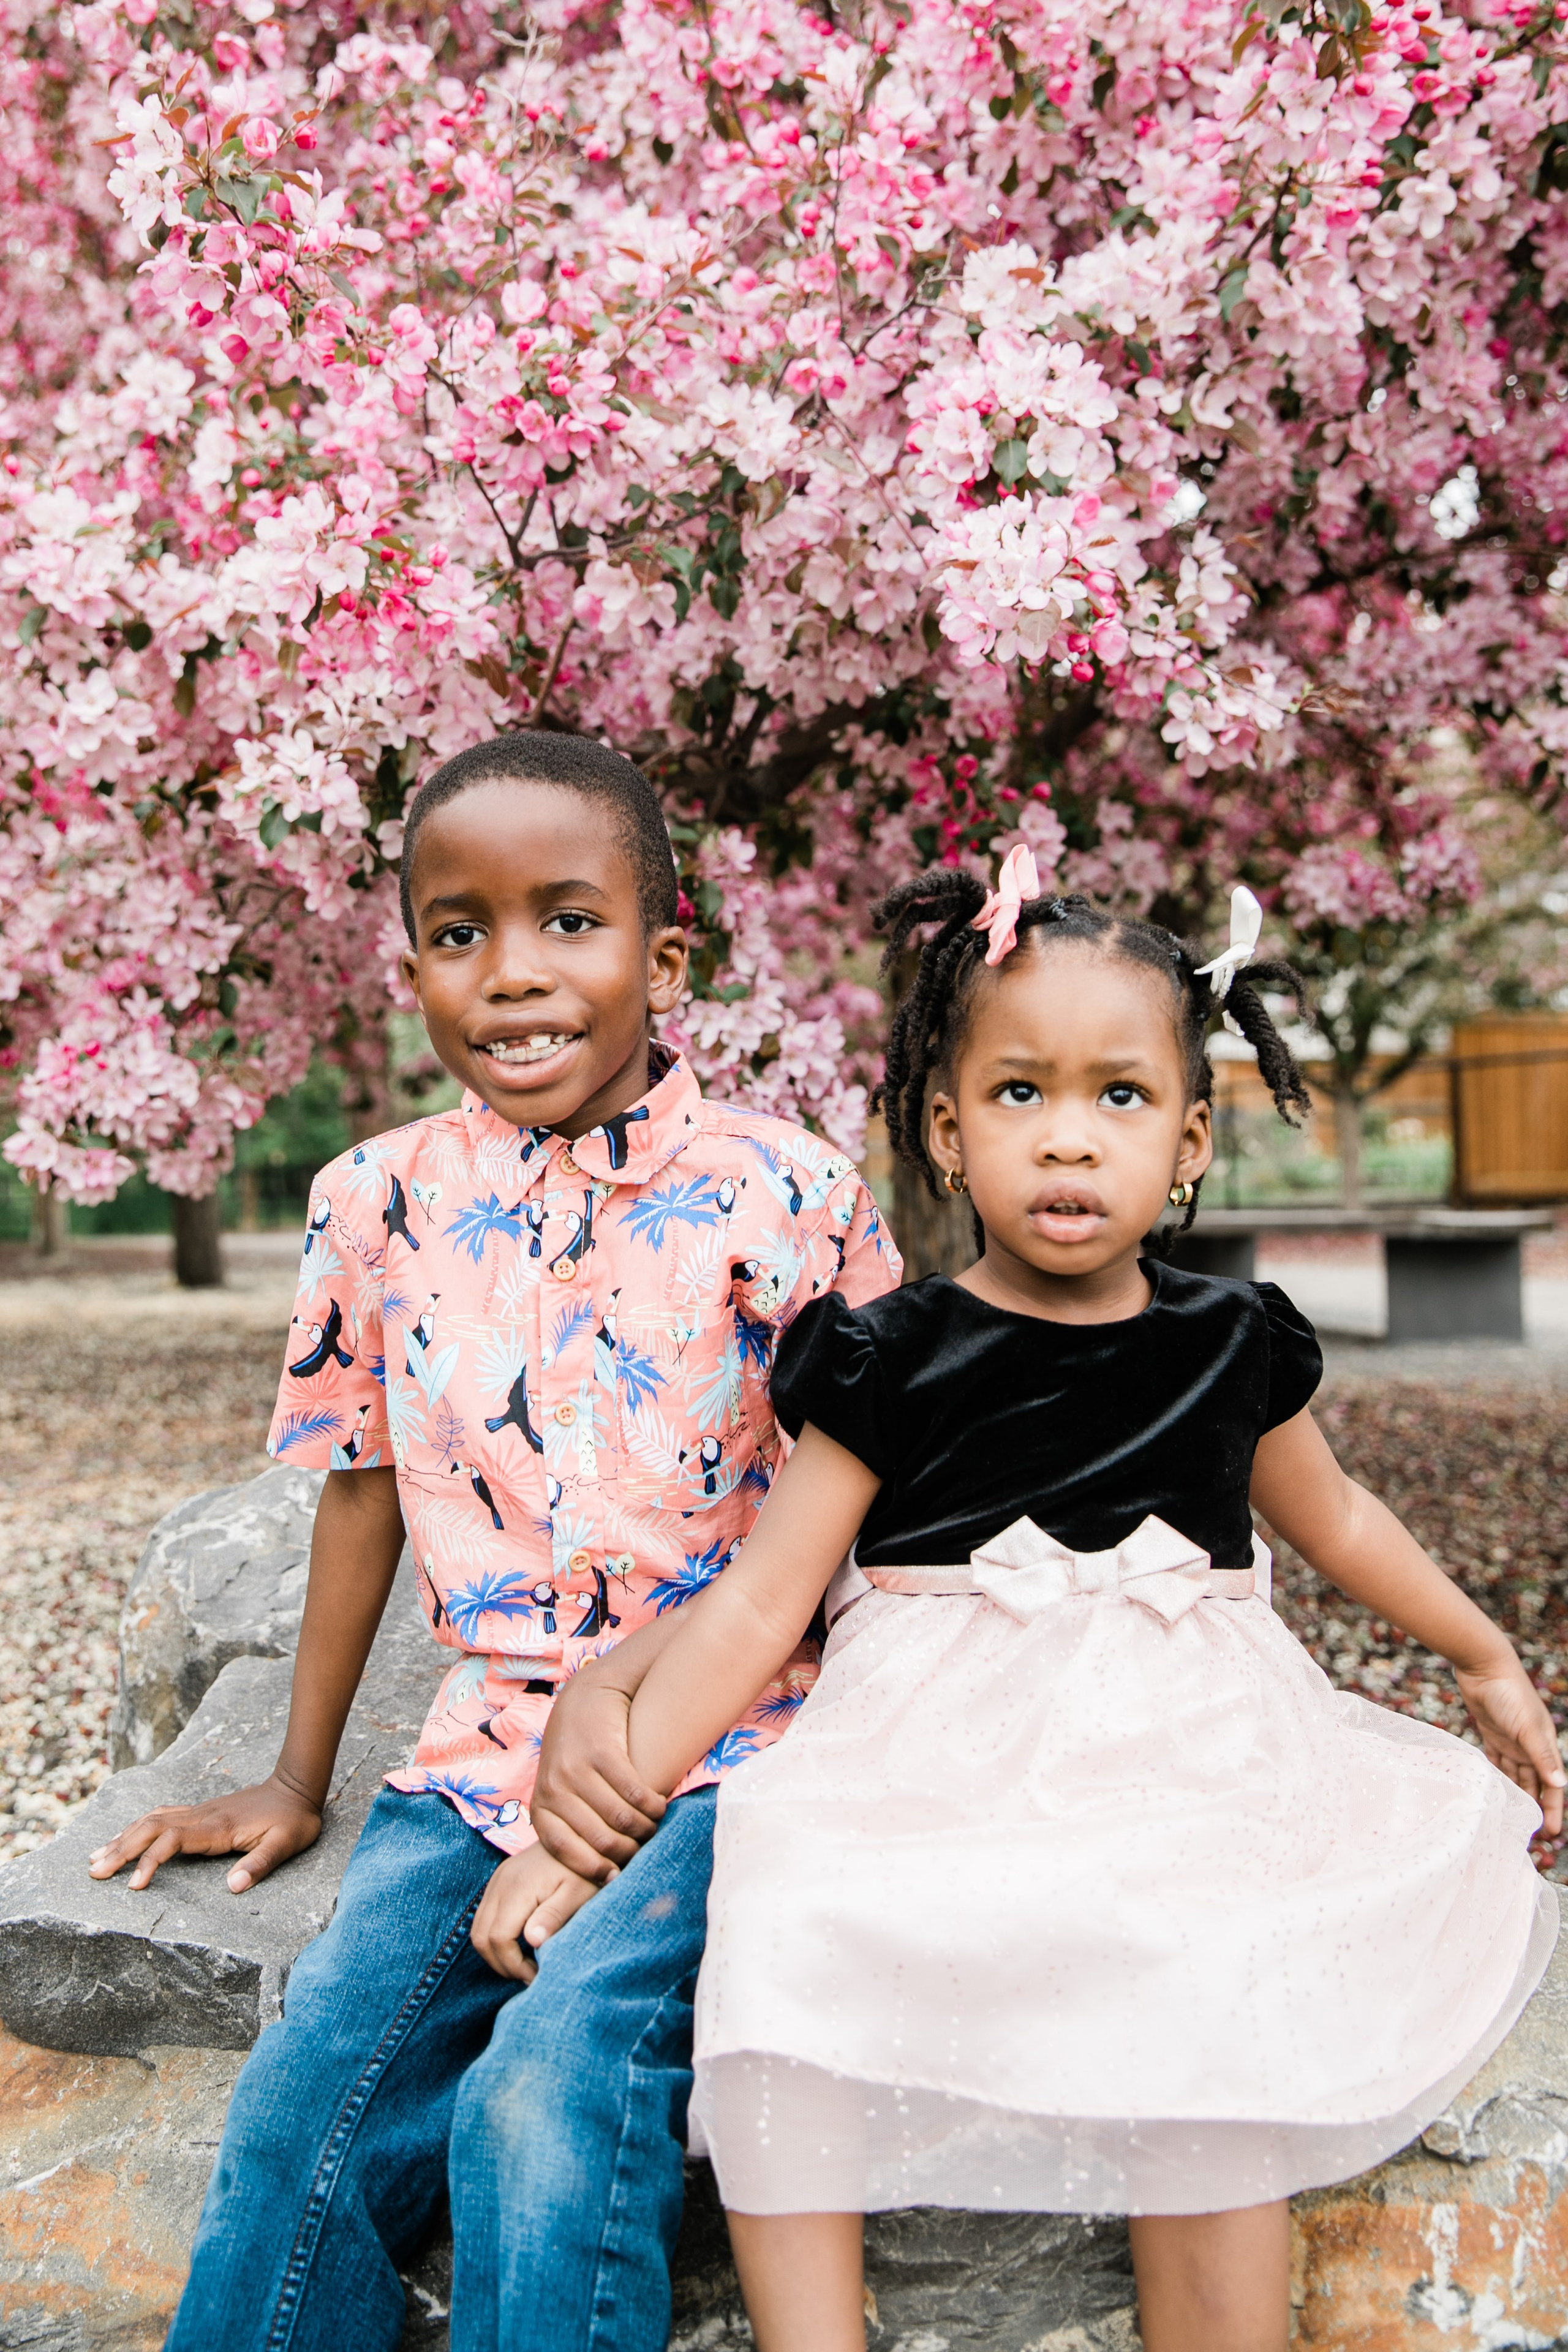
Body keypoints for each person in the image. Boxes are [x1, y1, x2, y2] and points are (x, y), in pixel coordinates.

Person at [503, 850, 1564, 2352]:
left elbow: (1337, 1521)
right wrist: (592, 1825)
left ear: (1189, 1138)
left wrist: (1481, 1654)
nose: (1067, 1143)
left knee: (1207, 1953)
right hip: (927, 1753)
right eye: (1018, 1097)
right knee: (789, 1902)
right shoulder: (885, 1355)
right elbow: (758, 1606)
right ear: (945, 1131)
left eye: (1117, 1100)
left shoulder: (1228, 1342)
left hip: (1187, 1754)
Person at [86, 729, 902, 2352]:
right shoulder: (370, 1202)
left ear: (667, 955)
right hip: (475, 1760)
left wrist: (629, 1807)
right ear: (411, 968)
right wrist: (299, 1776)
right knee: (298, 2103)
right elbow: (365, 1484)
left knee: (544, 2094)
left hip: (743, 1752)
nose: (513, 975)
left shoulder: (788, 1196)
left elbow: (867, 1512)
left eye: (569, 922)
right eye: (461, 934)